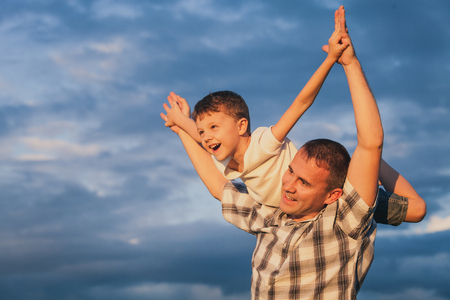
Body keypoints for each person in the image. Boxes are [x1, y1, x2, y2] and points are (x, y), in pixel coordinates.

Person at [161, 6, 425, 299]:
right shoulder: (270, 212)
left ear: (332, 195)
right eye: (291, 172)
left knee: (414, 208)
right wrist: (180, 129)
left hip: (352, 190)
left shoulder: (343, 220)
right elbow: (217, 185)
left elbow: (370, 142)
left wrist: (348, 64)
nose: (289, 185)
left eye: (304, 182)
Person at [161, 16, 350, 207]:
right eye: (203, 131)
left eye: (214, 127)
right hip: (292, 210)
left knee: (373, 201)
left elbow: (302, 102)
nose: (206, 137)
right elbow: (200, 136)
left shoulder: (263, 143)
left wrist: (331, 58)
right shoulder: (226, 157)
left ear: (241, 126)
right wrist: (181, 119)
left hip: (326, 195)